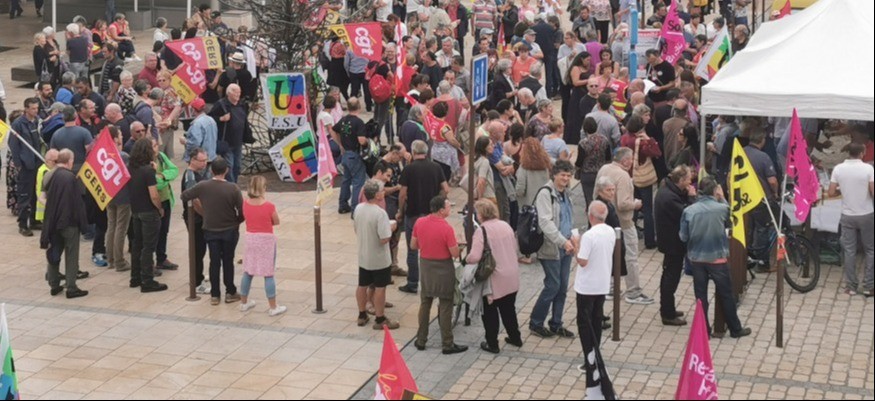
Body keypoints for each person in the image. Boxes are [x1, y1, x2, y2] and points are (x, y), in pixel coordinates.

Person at [680, 177, 752, 338]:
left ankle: (703, 330)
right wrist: (723, 198)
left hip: (697, 258)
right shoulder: (721, 208)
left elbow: (683, 236)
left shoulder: (689, 211)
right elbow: (732, 221)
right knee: (726, 293)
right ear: (714, 191)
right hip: (717, 258)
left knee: (700, 296)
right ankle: (735, 328)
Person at [181, 157, 245, 305]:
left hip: (210, 229)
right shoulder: (233, 188)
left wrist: (204, 210)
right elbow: (242, 211)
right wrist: (237, 221)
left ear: (211, 170)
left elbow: (184, 195)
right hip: (229, 229)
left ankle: (215, 295)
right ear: (227, 170)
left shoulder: (203, 186)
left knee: (214, 261)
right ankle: (230, 291)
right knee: (228, 261)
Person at [596, 148, 653, 305]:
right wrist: (635, 204)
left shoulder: (604, 169)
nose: (632, 162)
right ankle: (633, 291)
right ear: (625, 161)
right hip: (624, 223)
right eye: (631, 159)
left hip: (606, 221)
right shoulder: (623, 176)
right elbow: (622, 203)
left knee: (610, 255)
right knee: (631, 256)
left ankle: (611, 288)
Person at [411, 195, 467, 355]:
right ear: (442, 210)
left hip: (426, 266)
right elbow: (454, 253)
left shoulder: (420, 222)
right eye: (449, 207)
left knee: (425, 302)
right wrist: (460, 247)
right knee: (445, 304)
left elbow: (413, 245)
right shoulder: (446, 228)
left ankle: (421, 339)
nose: (450, 209)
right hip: (443, 267)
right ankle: (447, 343)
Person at [466, 199, 522, 354]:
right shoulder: (506, 225)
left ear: (481, 214)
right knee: (509, 309)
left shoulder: (481, 231)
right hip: (512, 275)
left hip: (494, 278)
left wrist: (467, 258)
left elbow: (475, 256)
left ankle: (492, 343)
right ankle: (515, 337)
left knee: (490, 313)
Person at [530, 160, 577, 339]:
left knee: (563, 287)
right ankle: (536, 322)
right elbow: (545, 222)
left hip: (567, 245)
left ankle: (556, 323)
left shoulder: (567, 193)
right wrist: (561, 241)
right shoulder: (546, 193)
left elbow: (568, 218)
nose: (565, 178)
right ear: (554, 175)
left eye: (568, 175)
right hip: (551, 247)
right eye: (562, 175)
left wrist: (572, 238)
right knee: (553, 285)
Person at [573, 201, 615, 398]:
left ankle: (589, 357)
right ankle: (595, 352)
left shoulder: (589, 236)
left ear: (590, 216)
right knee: (597, 320)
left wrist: (575, 245)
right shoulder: (610, 232)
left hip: (587, 285)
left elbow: (582, 261)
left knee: (584, 322)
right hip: (602, 283)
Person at [397, 140, 450, 294]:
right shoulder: (435, 167)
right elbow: (446, 189)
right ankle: (432, 283)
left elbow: (402, 194)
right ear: (427, 152)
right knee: (432, 248)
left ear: (413, 152)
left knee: (412, 250)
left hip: (413, 213)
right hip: (431, 214)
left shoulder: (409, 169)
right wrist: (437, 203)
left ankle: (413, 283)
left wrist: (401, 211)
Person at [40, 149, 89, 299]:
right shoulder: (70, 178)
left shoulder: (49, 175)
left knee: (54, 252)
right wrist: (84, 224)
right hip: (69, 222)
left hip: (52, 222)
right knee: (71, 254)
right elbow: (77, 203)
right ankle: (71, 287)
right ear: (70, 161)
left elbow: (42, 197)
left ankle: (54, 285)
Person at [353, 179, 402, 329]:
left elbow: (356, 229)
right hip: (379, 258)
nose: (383, 192)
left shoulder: (359, 208)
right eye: (382, 191)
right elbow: (384, 238)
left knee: (362, 285)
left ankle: (362, 314)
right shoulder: (380, 213)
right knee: (380, 287)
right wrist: (392, 228)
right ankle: (380, 319)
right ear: (377, 195)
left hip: (363, 255)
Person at [237, 176, 287, 316]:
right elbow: (276, 221)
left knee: (248, 271)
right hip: (266, 240)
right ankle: (273, 306)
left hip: (251, 239)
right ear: (263, 188)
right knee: (268, 273)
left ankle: (244, 302)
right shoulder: (269, 206)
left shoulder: (246, 203)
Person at [828, 143, 874, 297]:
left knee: (849, 250)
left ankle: (851, 286)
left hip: (847, 214)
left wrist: (844, 190)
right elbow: (873, 192)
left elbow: (831, 192)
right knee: (870, 250)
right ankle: (869, 285)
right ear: (862, 153)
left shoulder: (838, 169)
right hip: (866, 213)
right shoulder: (868, 169)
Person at [127, 138, 170, 293]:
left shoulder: (131, 167)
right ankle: (147, 280)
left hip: (136, 211)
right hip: (149, 212)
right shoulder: (148, 171)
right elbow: (154, 195)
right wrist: (159, 208)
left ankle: (135, 277)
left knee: (137, 244)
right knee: (148, 247)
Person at [654, 165, 696, 326]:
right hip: (672, 243)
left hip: (671, 240)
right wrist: (691, 197)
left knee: (670, 275)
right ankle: (667, 313)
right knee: (671, 277)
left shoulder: (669, 189)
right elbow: (687, 214)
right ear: (681, 180)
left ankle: (668, 308)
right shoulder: (669, 198)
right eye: (688, 179)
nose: (690, 182)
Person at [621, 116, 661, 250]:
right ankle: (649, 241)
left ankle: (629, 237)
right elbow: (657, 152)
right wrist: (649, 139)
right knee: (648, 209)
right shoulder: (642, 142)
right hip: (643, 178)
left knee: (633, 208)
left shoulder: (625, 138)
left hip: (629, 176)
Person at [10, 98, 44, 237]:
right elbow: (13, 145)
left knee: (36, 193)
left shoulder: (36, 121)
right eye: (33, 109)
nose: (35, 111)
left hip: (37, 162)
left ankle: (35, 220)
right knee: (25, 194)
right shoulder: (18, 124)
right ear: (26, 109)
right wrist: (18, 164)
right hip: (25, 165)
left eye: (37, 108)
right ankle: (23, 224)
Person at [182, 148, 212, 294]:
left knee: (200, 249)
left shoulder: (198, 174)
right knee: (197, 250)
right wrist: (206, 215)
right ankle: (196, 282)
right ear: (193, 160)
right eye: (201, 161)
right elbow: (194, 200)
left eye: (206, 160)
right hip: (196, 220)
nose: (204, 163)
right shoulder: (190, 176)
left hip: (199, 218)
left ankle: (198, 276)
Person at [332, 98, 369, 214]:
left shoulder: (343, 120)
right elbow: (361, 140)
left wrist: (340, 144)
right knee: (358, 181)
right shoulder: (359, 122)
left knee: (346, 180)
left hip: (345, 155)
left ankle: (342, 204)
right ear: (359, 107)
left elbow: (334, 130)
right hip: (355, 154)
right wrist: (369, 141)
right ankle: (355, 208)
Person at [104, 126, 131, 273]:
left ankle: (110, 259)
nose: (121, 136)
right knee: (121, 227)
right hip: (123, 196)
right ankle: (119, 260)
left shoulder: (104, 155)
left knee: (111, 225)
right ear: (115, 138)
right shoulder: (123, 156)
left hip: (109, 194)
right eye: (120, 134)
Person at [209, 84, 249, 183]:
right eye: (235, 91)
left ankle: (234, 183)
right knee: (229, 165)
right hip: (226, 142)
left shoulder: (242, 105)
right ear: (229, 93)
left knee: (237, 165)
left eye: (239, 92)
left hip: (238, 141)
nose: (238, 94)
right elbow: (209, 118)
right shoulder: (221, 104)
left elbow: (245, 121)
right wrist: (221, 119)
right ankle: (230, 185)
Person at [576, 117, 611, 205]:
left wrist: (576, 169)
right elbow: (608, 157)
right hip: (601, 172)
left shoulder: (583, 143)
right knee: (602, 199)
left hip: (587, 173)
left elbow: (580, 161)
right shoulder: (604, 140)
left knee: (589, 200)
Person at [563, 52, 592, 145]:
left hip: (585, 93)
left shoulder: (586, 68)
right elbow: (575, 82)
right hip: (578, 94)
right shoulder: (576, 68)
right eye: (587, 60)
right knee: (575, 116)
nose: (589, 61)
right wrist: (588, 80)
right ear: (582, 59)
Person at [181, 98, 217, 163]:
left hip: (200, 159)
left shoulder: (197, 124)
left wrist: (185, 141)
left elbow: (195, 143)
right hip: (211, 156)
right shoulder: (211, 120)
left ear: (194, 109)